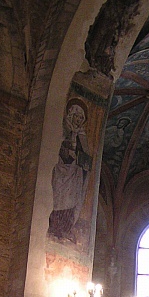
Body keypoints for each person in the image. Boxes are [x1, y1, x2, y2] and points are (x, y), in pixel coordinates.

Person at [48, 99, 92, 242]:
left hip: (76, 175)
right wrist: (68, 152)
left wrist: (83, 160)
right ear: (71, 115)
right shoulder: (64, 129)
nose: (78, 120)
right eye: (76, 117)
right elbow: (56, 148)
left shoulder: (82, 135)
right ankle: (54, 228)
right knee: (60, 199)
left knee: (72, 201)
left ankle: (65, 229)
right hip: (63, 170)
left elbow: (86, 155)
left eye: (81, 118)